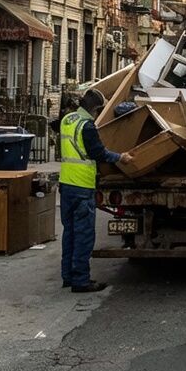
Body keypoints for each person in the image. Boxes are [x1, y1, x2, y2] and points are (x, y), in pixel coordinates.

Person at [58, 88, 133, 293]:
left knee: (70, 233)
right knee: (83, 235)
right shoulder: (87, 126)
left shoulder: (67, 120)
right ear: (96, 109)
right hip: (82, 186)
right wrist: (121, 157)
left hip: (66, 185)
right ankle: (81, 281)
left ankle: (68, 276)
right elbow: (98, 153)